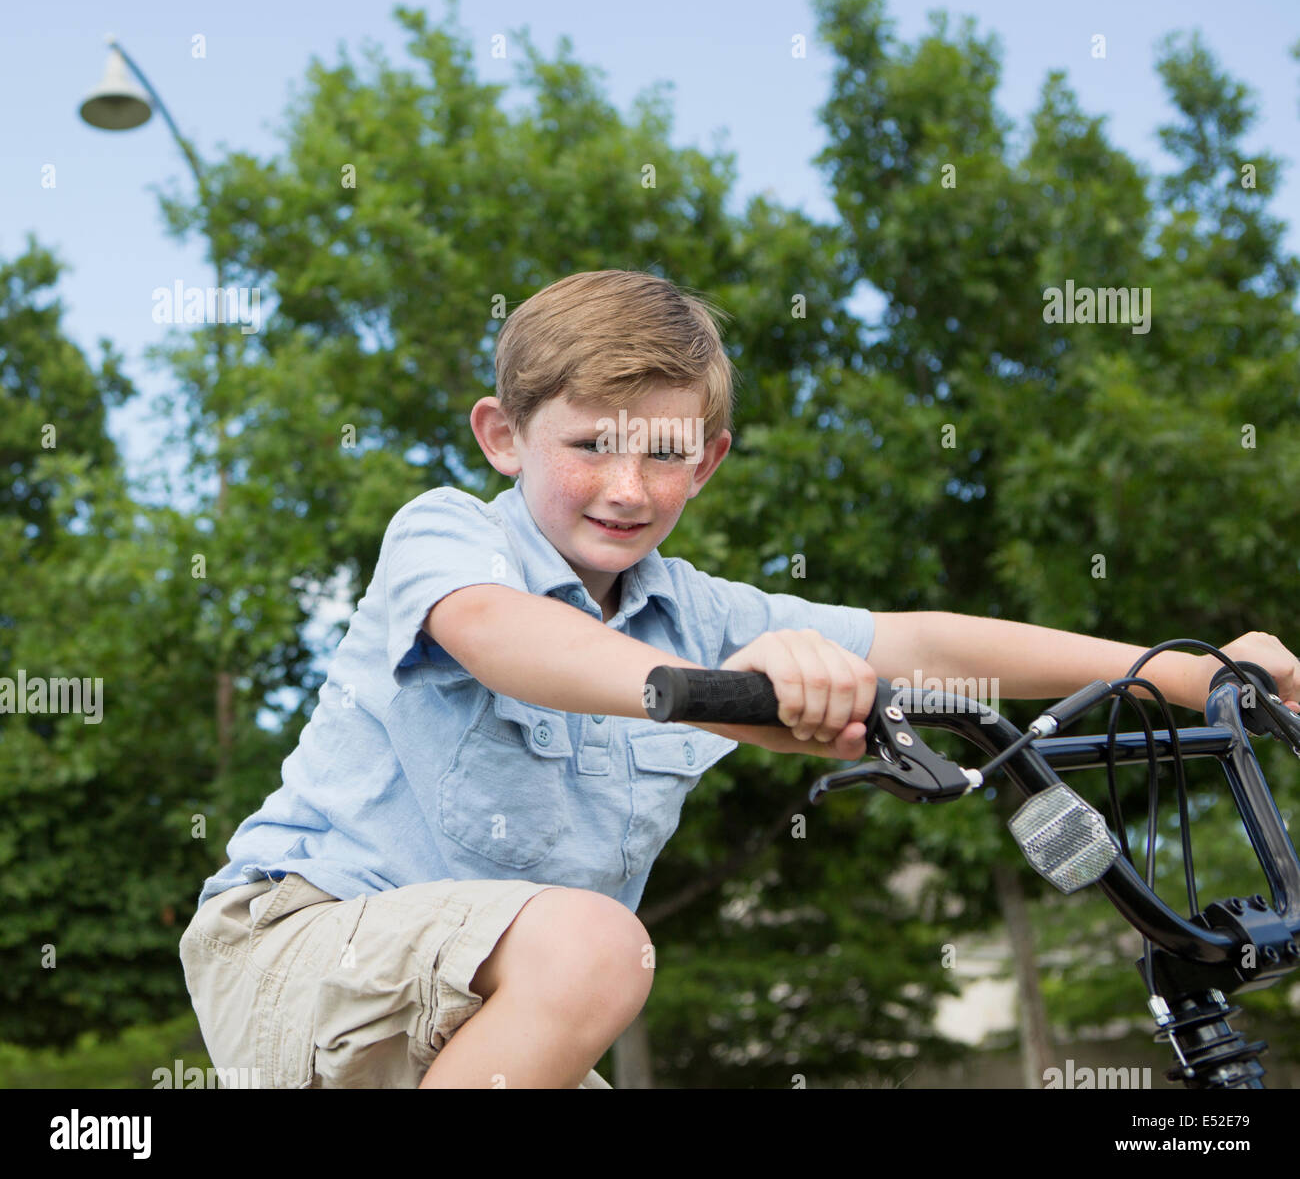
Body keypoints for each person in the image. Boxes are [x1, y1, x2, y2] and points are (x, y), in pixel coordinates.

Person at [179, 268, 1300, 1089]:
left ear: (707, 459)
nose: (626, 485)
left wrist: (1197, 677)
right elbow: (499, 636)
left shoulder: (710, 611)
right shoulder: (448, 539)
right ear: (502, 437)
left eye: (664, 452)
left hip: (497, 1020)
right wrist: (724, 690)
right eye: (588, 446)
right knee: (593, 944)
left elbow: (927, 643)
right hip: (306, 950)